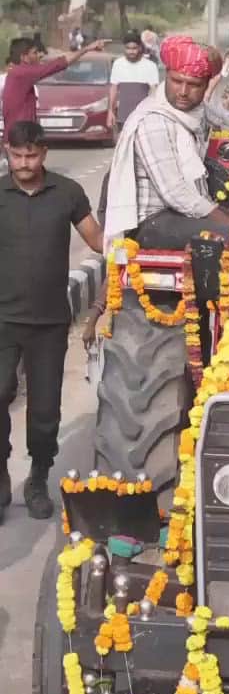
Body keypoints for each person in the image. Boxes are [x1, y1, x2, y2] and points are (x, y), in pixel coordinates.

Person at [0, 122, 103, 523]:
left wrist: (132, 242)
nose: (24, 164)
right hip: (2, 319)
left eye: (32, 155)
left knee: (44, 411)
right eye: (17, 155)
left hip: (49, 323)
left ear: (44, 153)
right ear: (7, 152)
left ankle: (38, 479)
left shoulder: (67, 192)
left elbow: (97, 239)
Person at [104, 35, 229, 248]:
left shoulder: (193, 110)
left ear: (205, 86)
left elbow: (224, 116)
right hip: (153, 223)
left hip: (180, 216)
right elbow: (175, 193)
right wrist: (227, 223)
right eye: (176, 82)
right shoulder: (153, 119)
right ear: (166, 77)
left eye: (193, 85)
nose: (183, 92)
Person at [2, 35, 106, 139]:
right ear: (23, 57)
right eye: (34, 53)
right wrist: (87, 49)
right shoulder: (22, 73)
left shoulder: (18, 73)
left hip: (20, 134)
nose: (39, 55)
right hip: (19, 136)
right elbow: (57, 64)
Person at [108, 30, 160, 134]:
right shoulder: (118, 64)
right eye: (128, 48)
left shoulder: (150, 66)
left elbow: (154, 92)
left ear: (140, 48)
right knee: (123, 148)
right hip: (123, 117)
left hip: (143, 118)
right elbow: (113, 89)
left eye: (134, 48)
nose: (131, 51)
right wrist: (111, 112)